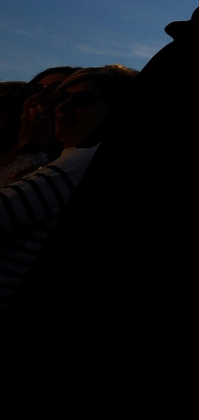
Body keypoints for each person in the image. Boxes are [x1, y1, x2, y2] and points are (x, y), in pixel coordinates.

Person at [0, 66, 136, 309]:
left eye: (83, 99)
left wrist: (30, 150)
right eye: (60, 98)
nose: (62, 107)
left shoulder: (87, 160)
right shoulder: (68, 160)